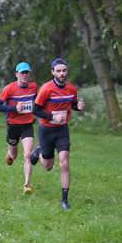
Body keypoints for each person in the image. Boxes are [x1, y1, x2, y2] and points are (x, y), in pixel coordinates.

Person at [30, 58, 85, 210]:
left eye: (64, 70)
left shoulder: (71, 89)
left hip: (62, 130)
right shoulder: (46, 89)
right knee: (48, 167)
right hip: (46, 129)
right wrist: (52, 116)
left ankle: (65, 201)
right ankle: (39, 150)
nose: (62, 73)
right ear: (52, 72)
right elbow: (36, 110)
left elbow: (71, 103)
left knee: (64, 162)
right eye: (59, 71)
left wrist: (77, 107)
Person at [0, 62, 37, 194]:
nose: (25, 75)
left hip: (27, 125)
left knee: (28, 154)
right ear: (17, 74)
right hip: (12, 126)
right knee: (13, 156)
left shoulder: (34, 87)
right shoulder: (9, 89)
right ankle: (9, 153)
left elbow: (38, 103)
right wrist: (14, 108)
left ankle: (26, 185)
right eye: (22, 72)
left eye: (27, 72)